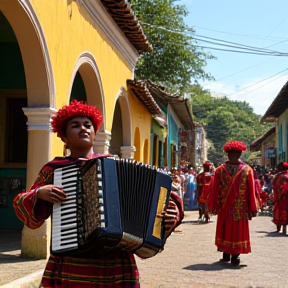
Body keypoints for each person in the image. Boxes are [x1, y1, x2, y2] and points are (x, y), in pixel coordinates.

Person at [13, 100, 184, 288]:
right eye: (75, 125)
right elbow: (24, 204)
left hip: (116, 260)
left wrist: (171, 213)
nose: (83, 129)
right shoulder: (54, 169)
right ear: (64, 137)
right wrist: (39, 193)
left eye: (88, 125)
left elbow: (166, 191)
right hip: (73, 260)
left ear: (95, 134)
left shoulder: (113, 164)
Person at [208, 140, 257, 266]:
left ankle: (235, 256)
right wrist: (213, 205)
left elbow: (251, 190)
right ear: (228, 155)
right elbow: (214, 189)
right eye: (231, 154)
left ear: (240, 155)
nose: (234, 156)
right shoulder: (220, 170)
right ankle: (226, 254)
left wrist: (253, 207)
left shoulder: (247, 170)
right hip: (224, 206)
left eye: (236, 154)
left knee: (237, 231)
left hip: (240, 207)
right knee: (225, 230)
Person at [271, 161, 288, 234]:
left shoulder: (277, 176)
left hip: (279, 197)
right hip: (286, 196)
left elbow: (274, 185)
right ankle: (284, 229)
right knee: (286, 212)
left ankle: (279, 229)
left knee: (278, 211)